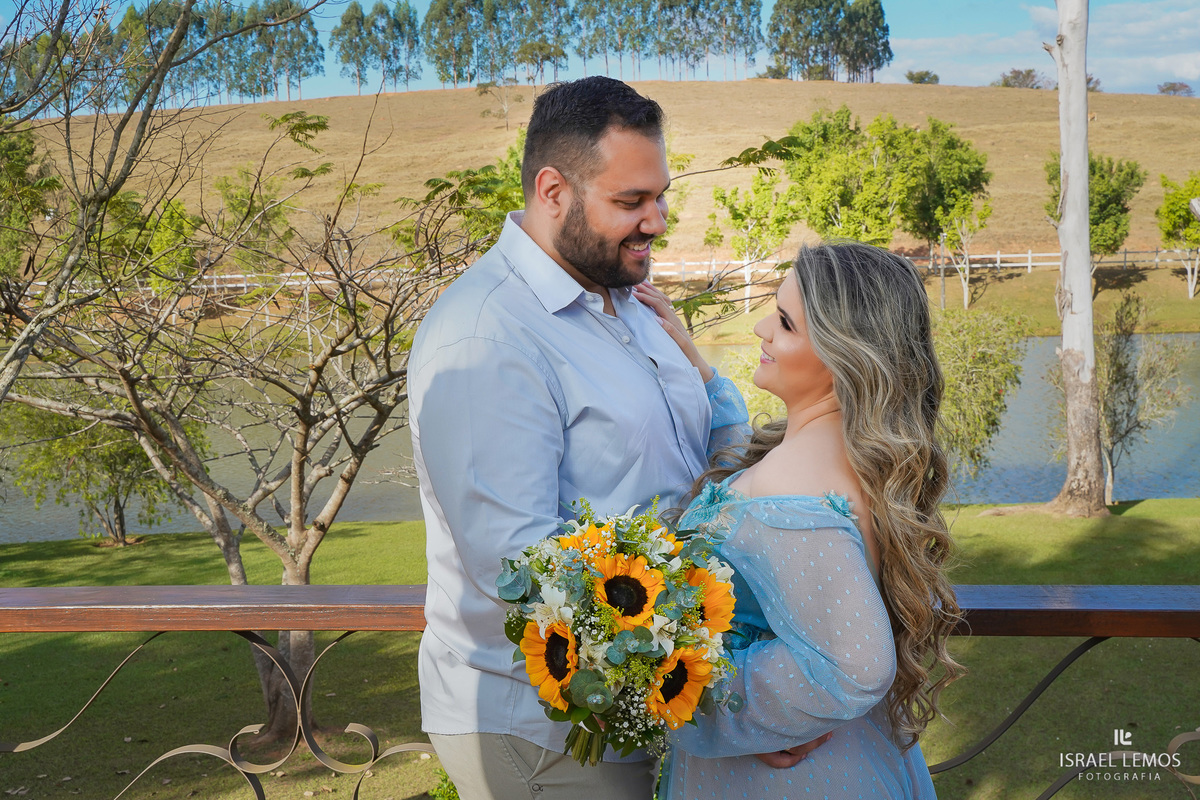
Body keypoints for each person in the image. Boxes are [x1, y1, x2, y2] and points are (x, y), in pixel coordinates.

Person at [407, 77, 754, 800]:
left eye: (661, 196)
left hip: (653, 703)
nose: (656, 222)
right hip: (550, 729)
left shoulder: (630, 300)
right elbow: (519, 566)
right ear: (553, 191)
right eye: (631, 202)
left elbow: (697, 472)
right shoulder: (487, 335)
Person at [633, 242, 964, 799]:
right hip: (851, 755)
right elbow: (758, 496)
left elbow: (856, 667)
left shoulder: (790, 482)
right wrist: (704, 374)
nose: (761, 328)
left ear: (842, 357)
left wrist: (705, 699)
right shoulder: (851, 454)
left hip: (786, 779)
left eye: (785, 323)